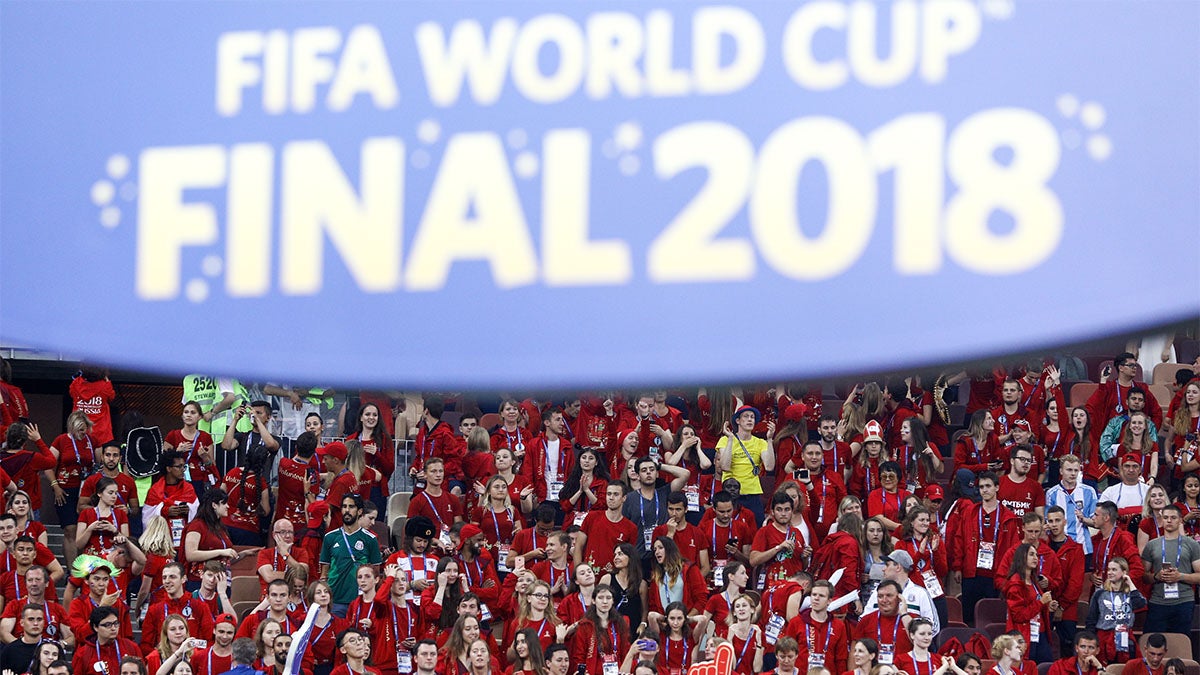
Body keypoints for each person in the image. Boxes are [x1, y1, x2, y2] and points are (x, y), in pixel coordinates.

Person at [1139, 504, 1200, 633]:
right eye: (1165, 517)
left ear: (1180, 520)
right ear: (1162, 520)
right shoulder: (1152, 545)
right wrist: (1157, 576)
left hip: (1184, 600)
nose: (1169, 520)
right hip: (1158, 601)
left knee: (1180, 642)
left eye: (1173, 517)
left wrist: (1180, 576)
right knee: (1153, 640)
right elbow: (1143, 576)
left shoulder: (1191, 544)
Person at [47, 410, 97, 562]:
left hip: (85, 491)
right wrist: (55, 486)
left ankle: (82, 566)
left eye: (85, 429)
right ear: (72, 427)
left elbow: (99, 465)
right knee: (70, 529)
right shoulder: (61, 440)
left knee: (83, 529)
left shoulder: (92, 441)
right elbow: (48, 465)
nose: (83, 432)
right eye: (80, 429)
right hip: (64, 490)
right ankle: (72, 570)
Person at [321, 494, 382, 617]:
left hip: (360, 601)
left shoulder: (370, 539)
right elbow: (324, 574)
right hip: (335, 601)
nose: (347, 510)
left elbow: (376, 574)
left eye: (351, 507)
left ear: (359, 511)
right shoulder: (330, 538)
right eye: (344, 507)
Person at [141, 562, 216, 655]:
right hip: (164, 662)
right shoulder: (155, 610)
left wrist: (194, 655)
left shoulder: (199, 607)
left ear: (183, 579)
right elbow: (146, 645)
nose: (167, 581)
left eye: (172, 577)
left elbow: (208, 641)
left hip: (192, 662)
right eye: (164, 577)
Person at [717, 407, 776, 525]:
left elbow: (769, 467)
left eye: (752, 417)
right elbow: (725, 466)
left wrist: (769, 439)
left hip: (752, 494)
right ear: (738, 421)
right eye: (746, 416)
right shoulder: (725, 440)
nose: (750, 420)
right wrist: (730, 440)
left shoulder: (760, 442)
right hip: (731, 495)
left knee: (757, 530)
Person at [892, 508, 947, 625]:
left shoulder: (936, 541)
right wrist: (919, 553)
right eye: (921, 520)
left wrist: (935, 551)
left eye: (927, 520)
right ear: (912, 522)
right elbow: (903, 572)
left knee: (940, 630)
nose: (925, 523)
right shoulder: (901, 545)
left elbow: (942, 571)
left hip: (935, 593)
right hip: (913, 595)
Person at [1085, 556, 1145, 664]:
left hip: (1125, 637)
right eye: (1109, 569)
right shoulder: (1100, 594)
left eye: (1114, 569)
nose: (1110, 572)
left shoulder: (1131, 593)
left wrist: (1130, 583)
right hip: (1103, 637)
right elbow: (1091, 620)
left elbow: (1140, 604)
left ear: (1124, 572)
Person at [863, 552, 938, 636]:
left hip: (910, 647)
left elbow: (934, 627)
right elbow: (863, 620)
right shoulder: (878, 592)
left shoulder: (920, 593)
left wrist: (916, 639)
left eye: (887, 565)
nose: (883, 569)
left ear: (898, 567)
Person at [1043, 506, 1085, 654]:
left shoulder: (1076, 549)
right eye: (1051, 521)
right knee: (1043, 648)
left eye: (1057, 520)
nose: (1054, 524)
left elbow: (1076, 583)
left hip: (1067, 609)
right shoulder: (1041, 546)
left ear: (1065, 522)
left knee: (1067, 649)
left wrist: (1061, 607)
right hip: (1043, 606)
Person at [783, 580, 848, 674]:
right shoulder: (796, 622)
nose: (816, 598)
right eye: (814, 595)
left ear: (829, 601)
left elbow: (841, 659)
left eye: (821, 596)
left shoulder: (839, 626)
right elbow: (786, 653)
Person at [1004, 543, 1054, 663]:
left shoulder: (1033, 580)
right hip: (1025, 634)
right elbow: (1019, 615)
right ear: (1022, 557)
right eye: (1031, 554)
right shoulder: (1015, 584)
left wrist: (1048, 606)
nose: (1036, 558)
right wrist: (1041, 602)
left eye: (1037, 555)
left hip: (1040, 633)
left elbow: (1037, 606)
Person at [750, 493, 809, 591]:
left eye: (787, 509)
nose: (783, 514)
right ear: (772, 512)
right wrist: (778, 548)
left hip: (794, 587)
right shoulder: (764, 531)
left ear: (792, 511)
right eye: (779, 509)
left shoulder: (797, 532)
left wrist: (805, 557)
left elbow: (803, 566)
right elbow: (753, 560)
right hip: (773, 586)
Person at [143, 451, 200, 548]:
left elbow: (197, 511)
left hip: (184, 538)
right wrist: (164, 511)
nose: (183, 470)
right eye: (179, 467)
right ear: (168, 468)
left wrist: (188, 510)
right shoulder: (155, 490)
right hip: (162, 540)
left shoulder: (188, 488)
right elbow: (147, 516)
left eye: (184, 466)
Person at [0, 564, 70, 644]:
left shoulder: (57, 609)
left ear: (47, 583)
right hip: (22, 652)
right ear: (26, 584)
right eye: (30, 580)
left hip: (48, 653)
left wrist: (61, 644)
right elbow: (4, 633)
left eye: (38, 579)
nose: (34, 584)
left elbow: (71, 637)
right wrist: (21, 646)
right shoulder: (14, 605)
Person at [576, 483, 639, 571]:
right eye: (608, 494)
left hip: (614, 579)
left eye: (616, 494)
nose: (611, 498)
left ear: (624, 498)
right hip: (589, 577)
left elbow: (630, 559)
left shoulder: (631, 528)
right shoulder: (592, 517)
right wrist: (579, 572)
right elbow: (578, 546)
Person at [1043, 455, 1097, 556]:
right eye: (1069, 470)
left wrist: (1083, 519)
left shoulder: (1089, 491)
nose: (1073, 474)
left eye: (1076, 470)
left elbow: (1096, 522)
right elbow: (1048, 522)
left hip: (1083, 547)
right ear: (1061, 471)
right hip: (1058, 547)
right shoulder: (1051, 493)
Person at [182, 489, 239, 584]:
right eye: (224, 503)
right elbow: (191, 554)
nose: (228, 506)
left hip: (223, 580)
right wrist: (221, 552)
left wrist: (244, 554)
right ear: (214, 505)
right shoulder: (197, 525)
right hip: (200, 582)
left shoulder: (220, 527)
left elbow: (225, 555)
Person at [794, 441, 847, 540]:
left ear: (822, 456)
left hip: (829, 535)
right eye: (810, 453)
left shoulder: (834, 477)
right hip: (800, 535)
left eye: (818, 454)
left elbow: (844, 503)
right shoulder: (793, 478)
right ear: (802, 456)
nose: (814, 457)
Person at [80, 442, 140, 528]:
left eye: (115, 455)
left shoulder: (129, 481)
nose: (111, 459)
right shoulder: (91, 480)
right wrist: (101, 510)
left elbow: (135, 509)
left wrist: (128, 511)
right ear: (102, 457)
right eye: (108, 455)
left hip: (121, 529)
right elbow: (80, 507)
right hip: (97, 526)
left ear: (120, 458)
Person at [852, 581, 912, 665]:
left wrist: (904, 614)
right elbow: (854, 653)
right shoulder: (866, 620)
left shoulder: (911, 619)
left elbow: (919, 642)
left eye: (889, 596)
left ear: (899, 598)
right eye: (880, 596)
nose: (884, 600)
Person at [645, 536, 706, 619]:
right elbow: (653, 605)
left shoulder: (690, 569)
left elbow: (701, 599)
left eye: (660, 548)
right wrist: (662, 623)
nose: (657, 552)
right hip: (665, 627)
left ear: (670, 549)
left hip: (688, 625)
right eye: (655, 549)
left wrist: (686, 619)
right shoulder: (656, 575)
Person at [1091, 501, 1145, 592]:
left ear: (1106, 518)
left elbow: (1137, 569)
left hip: (1118, 595)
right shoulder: (1096, 540)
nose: (1092, 518)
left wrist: (1120, 585)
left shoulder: (1124, 539)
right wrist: (1093, 576)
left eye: (1096, 515)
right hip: (1100, 593)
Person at [72, 606, 141, 675]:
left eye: (116, 623)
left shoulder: (131, 647)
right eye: (108, 625)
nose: (113, 628)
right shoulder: (83, 654)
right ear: (95, 627)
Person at [256, 518, 313, 599]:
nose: (287, 536)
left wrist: (285, 555)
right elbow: (269, 577)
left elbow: (302, 574)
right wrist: (293, 576)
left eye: (290, 532)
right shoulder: (264, 553)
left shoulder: (301, 552)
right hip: (270, 600)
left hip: (295, 598)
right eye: (283, 532)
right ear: (274, 535)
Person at [77, 477, 131, 557]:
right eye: (110, 493)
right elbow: (78, 545)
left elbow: (127, 544)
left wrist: (114, 530)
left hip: (113, 560)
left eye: (116, 493)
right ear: (99, 493)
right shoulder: (86, 513)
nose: (114, 496)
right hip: (90, 560)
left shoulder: (121, 514)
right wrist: (90, 529)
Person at [599, 543, 645, 633]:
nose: (616, 558)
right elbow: (597, 604)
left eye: (620, 554)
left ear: (631, 557)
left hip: (633, 629)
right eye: (615, 555)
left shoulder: (641, 584)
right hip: (611, 628)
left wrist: (643, 624)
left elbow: (644, 610)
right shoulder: (607, 579)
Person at [0, 604, 52, 673]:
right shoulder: (9, 650)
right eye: (31, 619)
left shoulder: (53, 649)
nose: (36, 623)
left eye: (39, 619)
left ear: (44, 622)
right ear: (22, 622)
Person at [997, 446, 1044, 519]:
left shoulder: (1036, 487)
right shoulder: (998, 483)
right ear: (1012, 461)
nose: (1026, 463)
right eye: (1022, 459)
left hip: (1026, 529)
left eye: (1029, 460)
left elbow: (1040, 518)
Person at [865, 462, 911, 531]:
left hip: (906, 534)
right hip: (885, 535)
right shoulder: (875, 495)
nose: (887, 479)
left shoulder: (907, 495)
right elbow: (878, 518)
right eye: (884, 477)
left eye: (891, 476)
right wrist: (901, 528)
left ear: (898, 477)